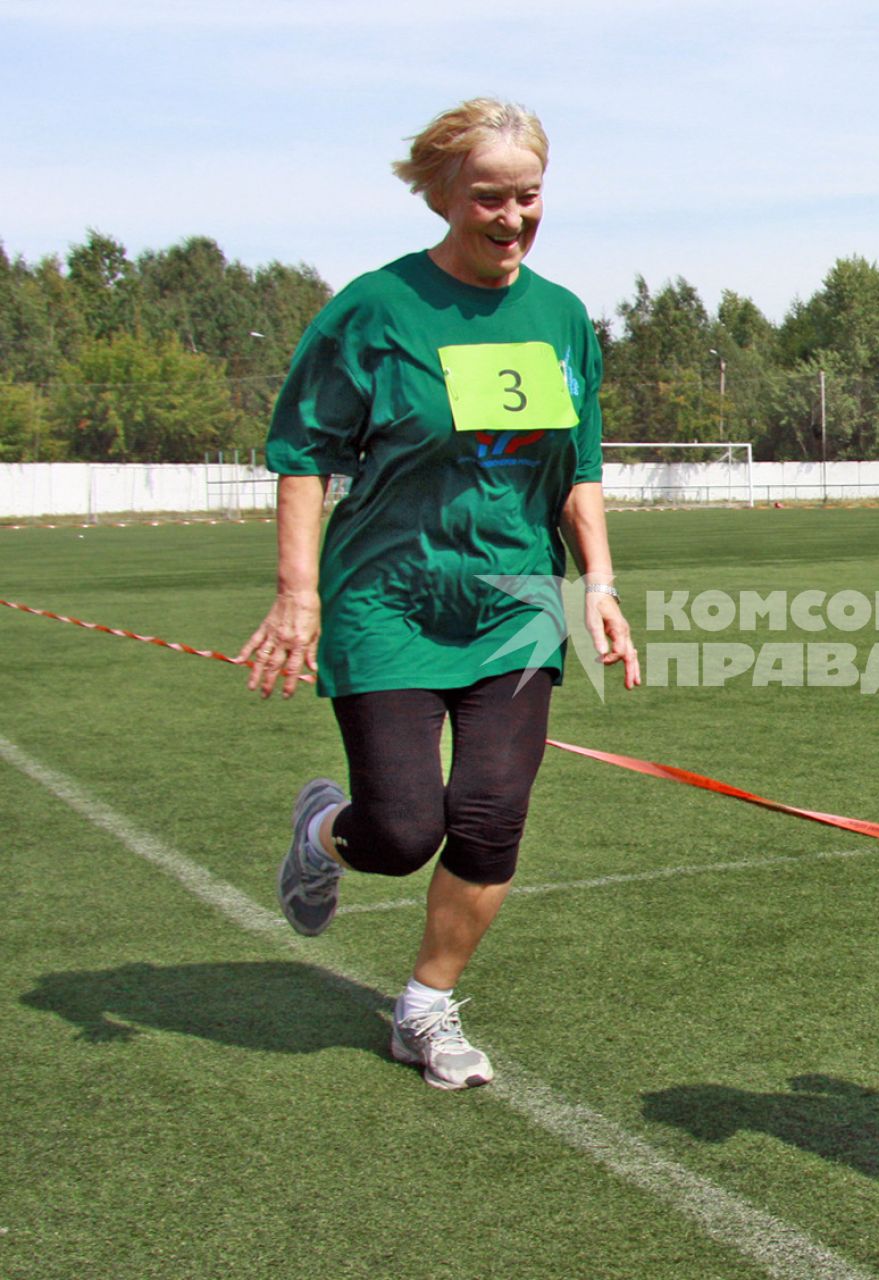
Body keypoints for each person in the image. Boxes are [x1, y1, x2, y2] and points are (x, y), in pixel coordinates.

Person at [239, 98, 639, 1091]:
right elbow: (302, 453)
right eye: (488, 198)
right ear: (442, 196)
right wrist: (298, 593)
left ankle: (425, 1005)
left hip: (514, 600)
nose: (512, 218)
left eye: (529, 196)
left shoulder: (559, 319)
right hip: (390, 598)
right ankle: (326, 829)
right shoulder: (376, 311)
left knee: (494, 809)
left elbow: (578, 460)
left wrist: (599, 582)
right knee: (404, 828)